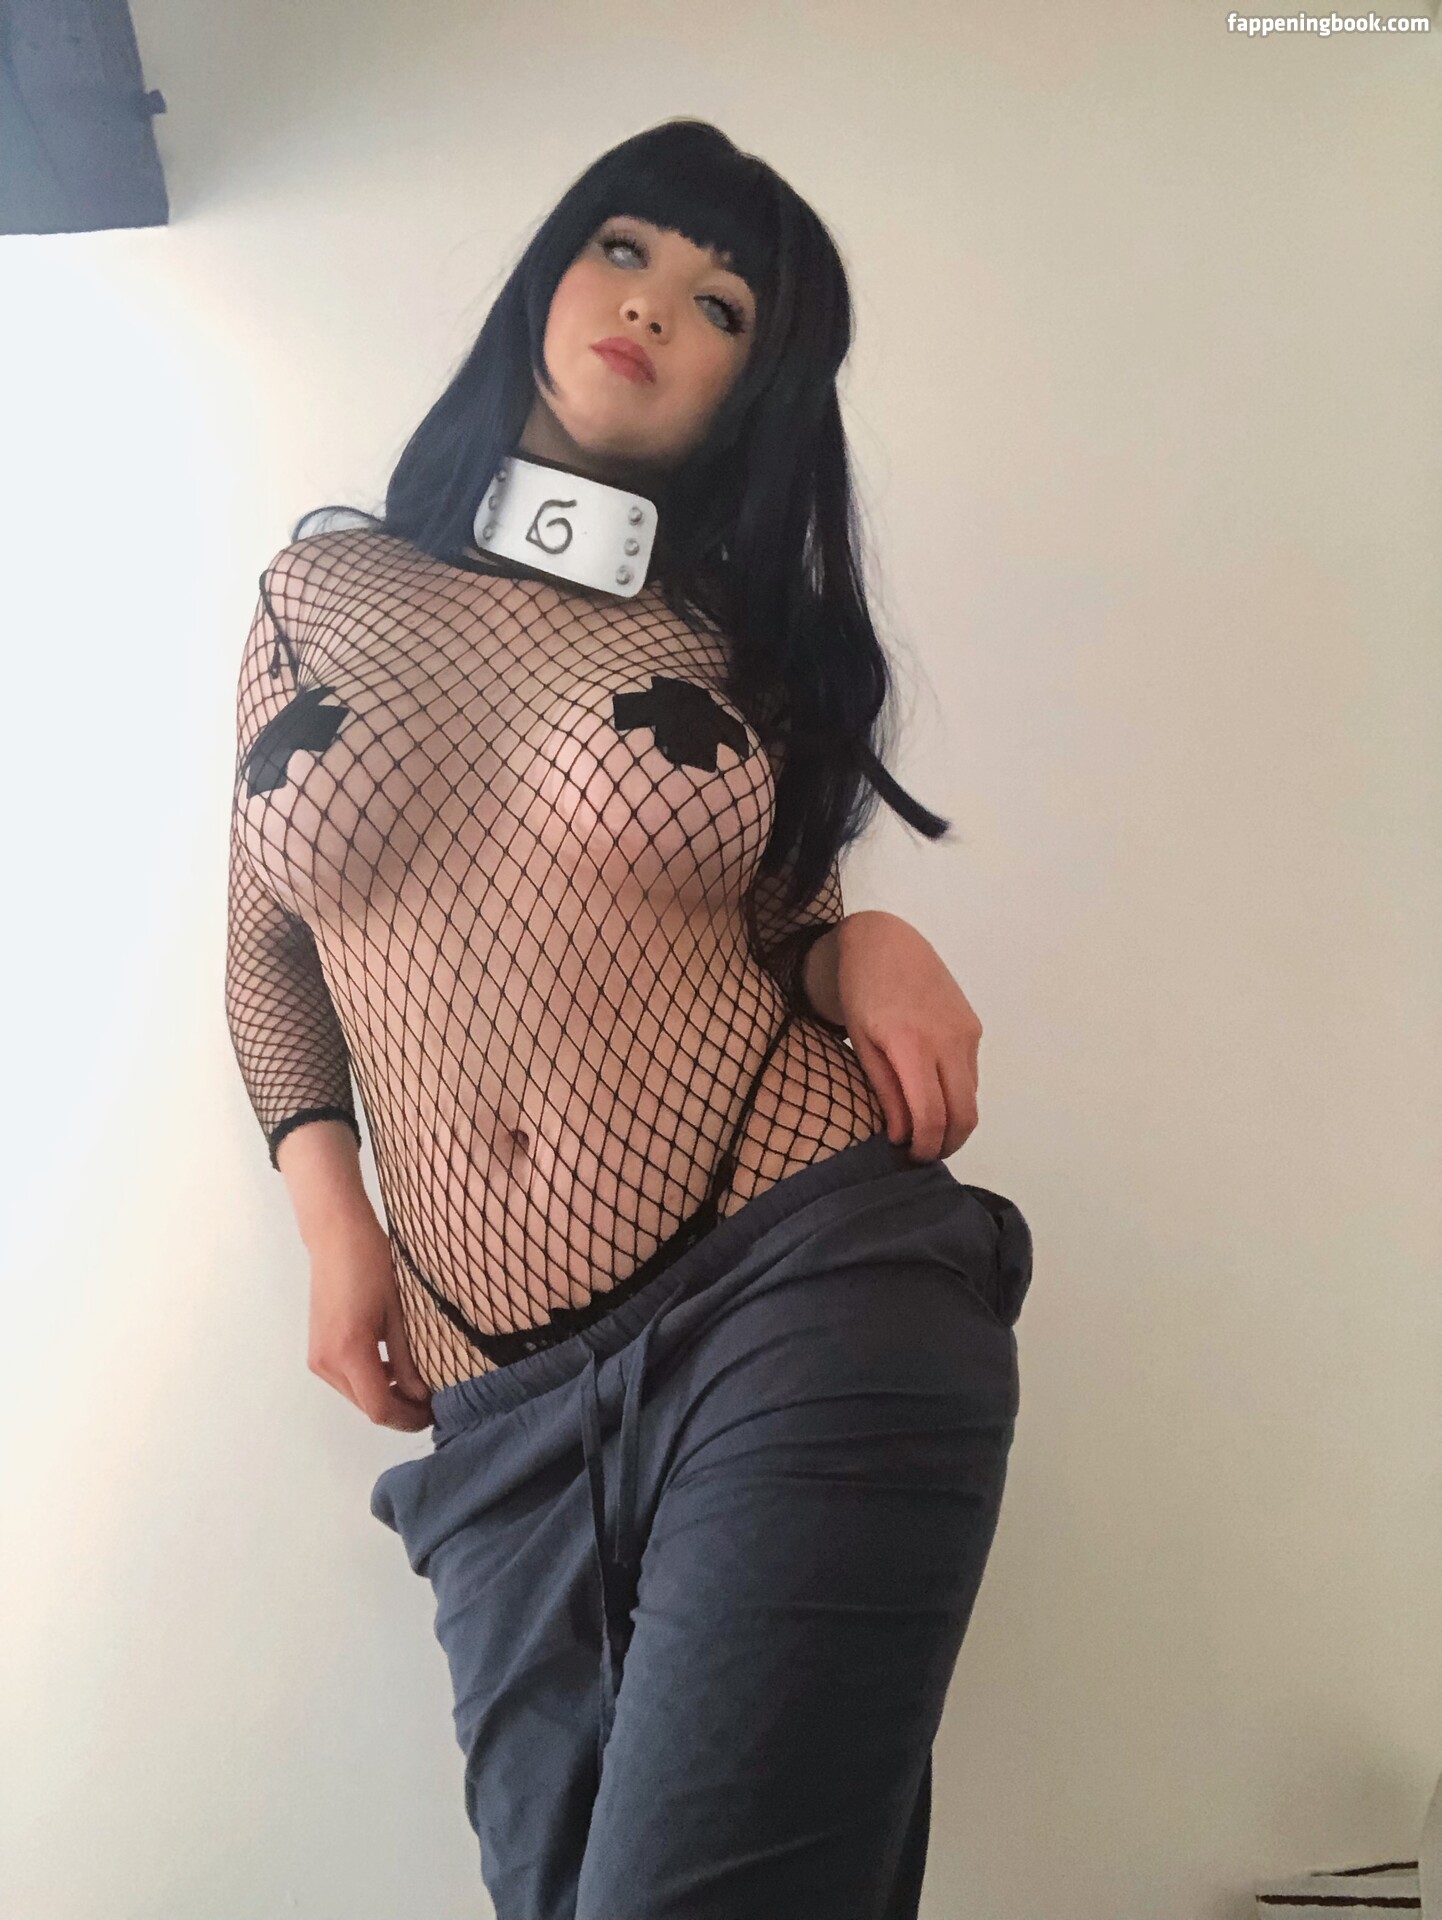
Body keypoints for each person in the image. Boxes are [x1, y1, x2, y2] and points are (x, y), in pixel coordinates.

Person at [224, 117, 1033, 1920]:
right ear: (549, 276)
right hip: (496, 1407)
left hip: (795, 1287)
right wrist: (335, 1227)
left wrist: (870, 938)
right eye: (624, 249)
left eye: (722, 304)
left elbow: (780, 930)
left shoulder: (743, 639)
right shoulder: (316, 593)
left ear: (759, 389)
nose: (654, 306)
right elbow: (264, 953)